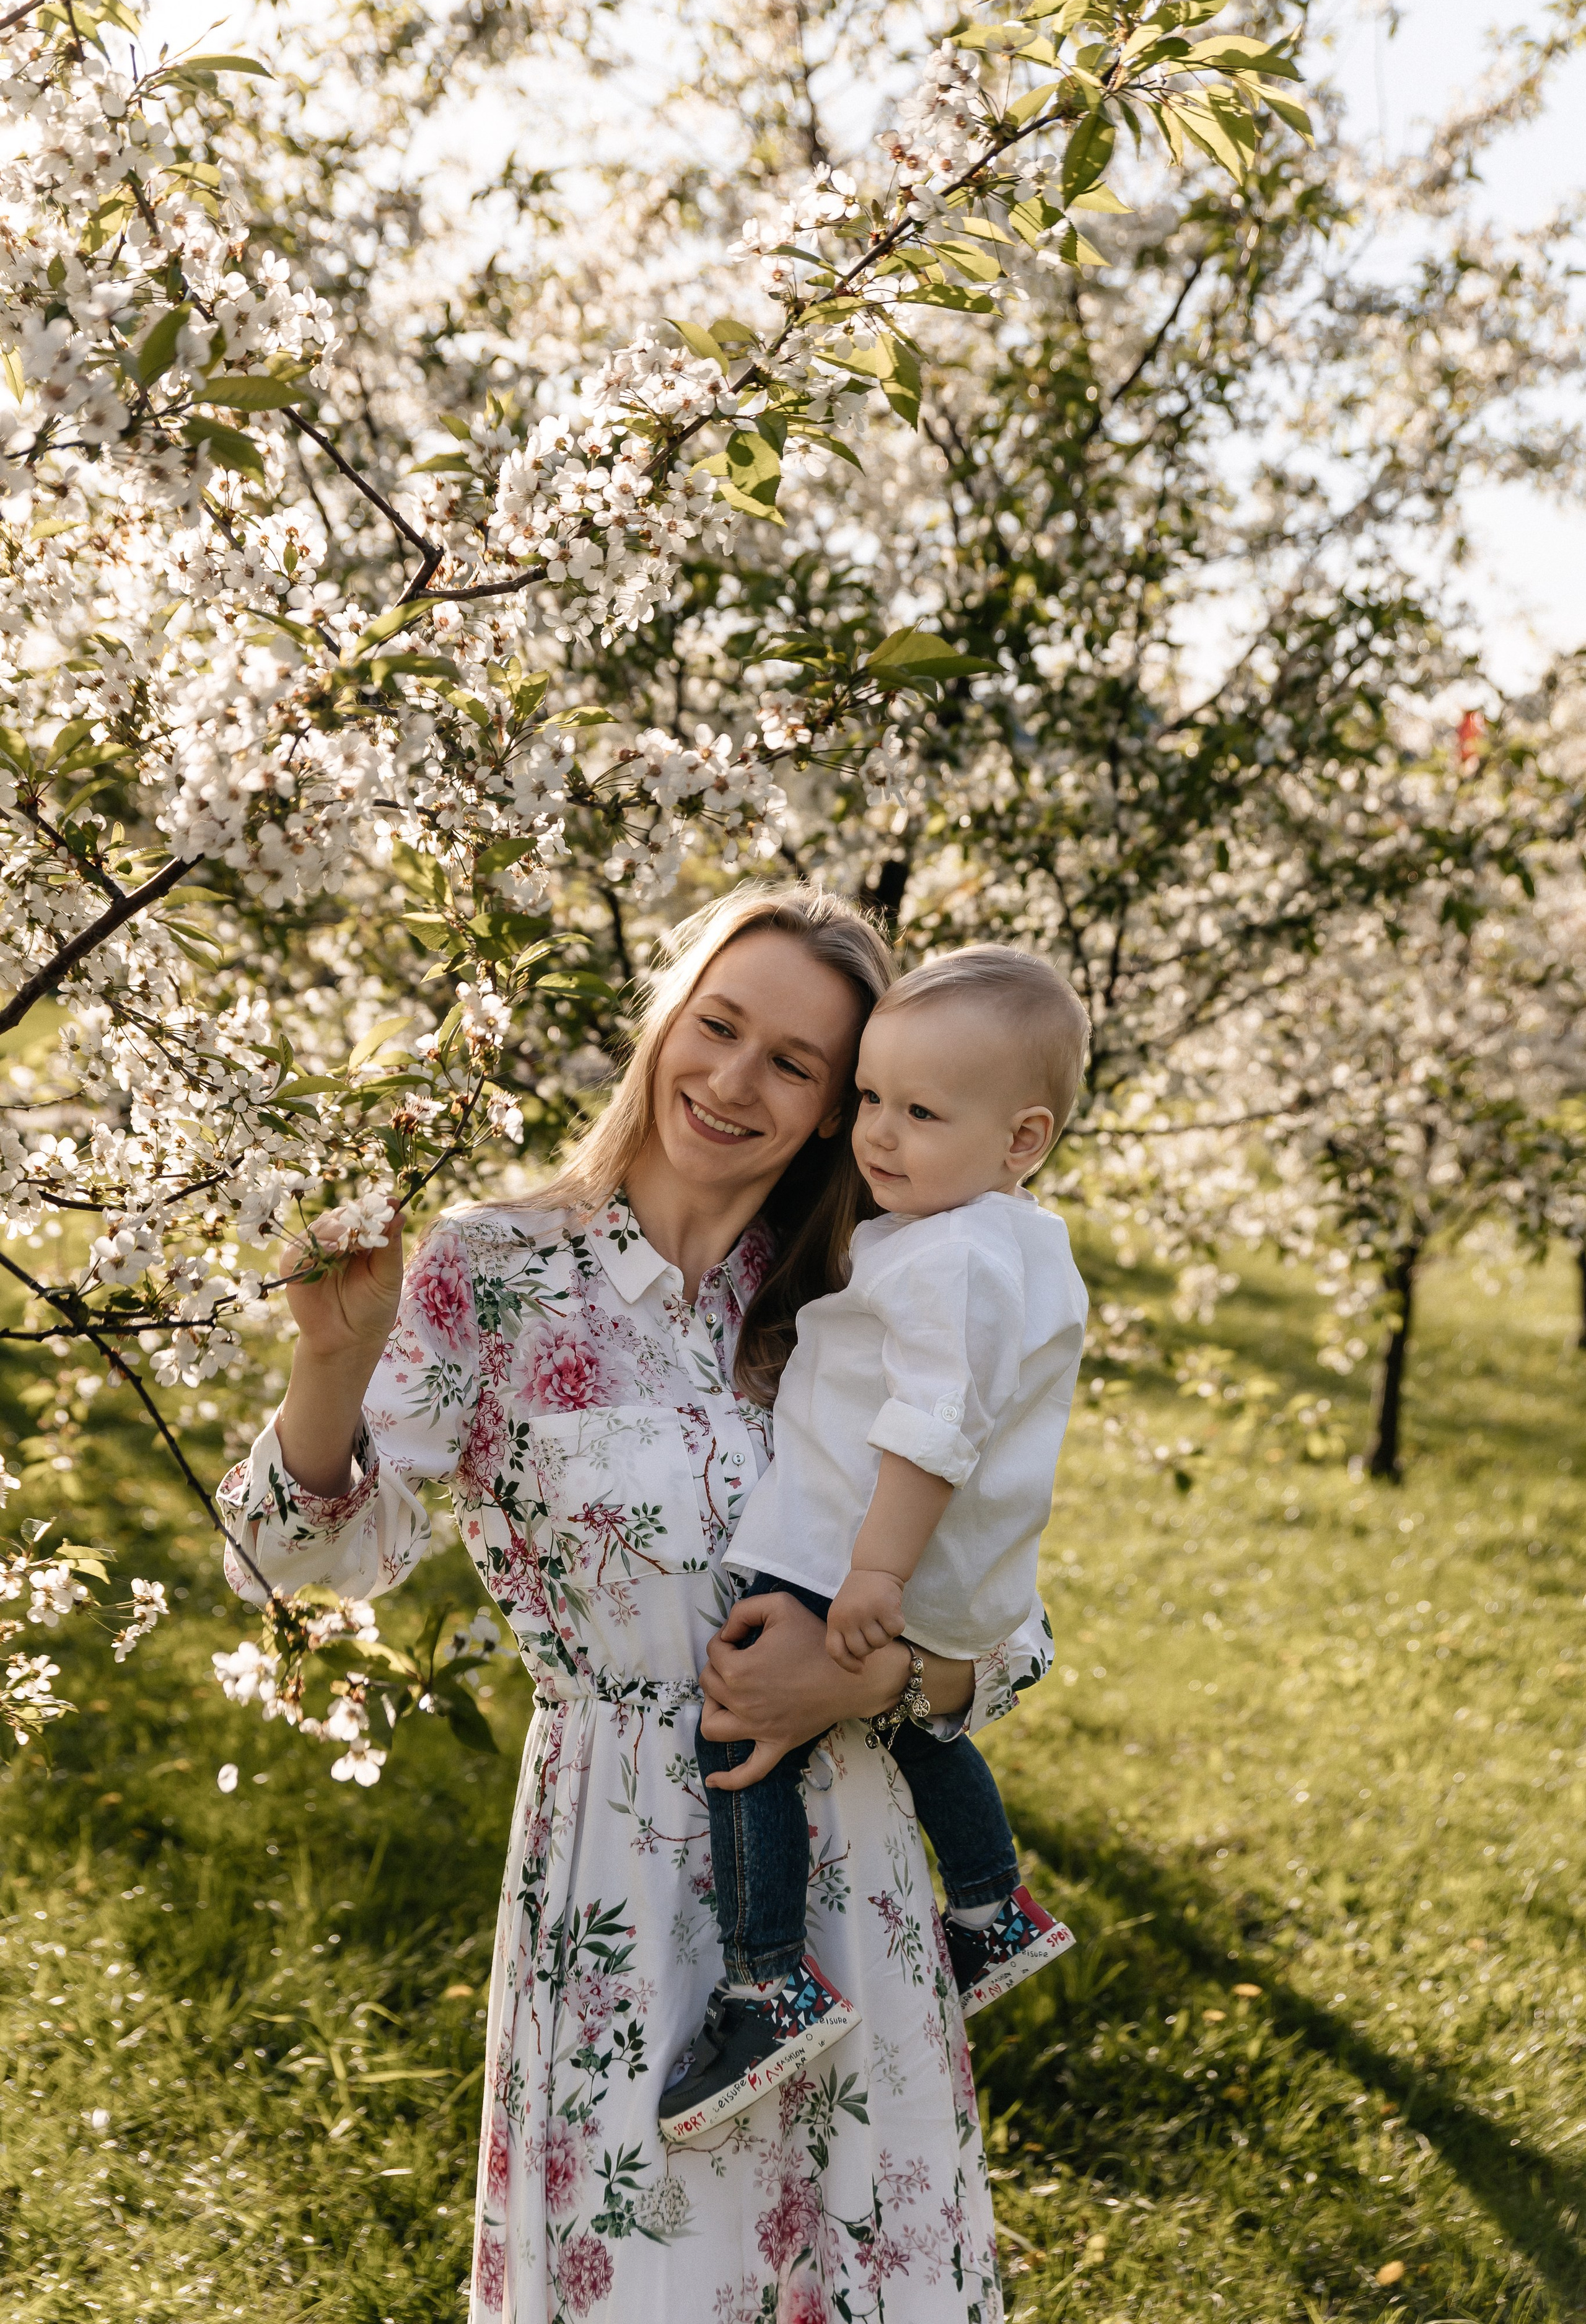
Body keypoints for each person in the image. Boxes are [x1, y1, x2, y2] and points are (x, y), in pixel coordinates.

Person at [216, 883, 1055, 2324]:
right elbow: (293, 1560)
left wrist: (859, 1682)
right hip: (620, 1868)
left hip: (850, 1877)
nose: (733, 1081)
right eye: (715, 1026)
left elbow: (1007, 1624)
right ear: (665, 1023)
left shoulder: (876, 1287)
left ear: (835, 1106)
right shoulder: (498, 1268)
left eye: (793, 1064)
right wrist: (331, 1369)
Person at [660, 949, 1089, 2144]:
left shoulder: (949, 1255)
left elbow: (934, 1426)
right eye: (872, 1101)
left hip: (854, 1541)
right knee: (914, 1727)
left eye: (920, 1112)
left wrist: (877, 1576)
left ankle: (769, 1976)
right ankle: (996, 1903)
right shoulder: (1018, 1242)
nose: (880, 1137)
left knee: (744, 1716)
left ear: (1022, 1140)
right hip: (953, 1576)